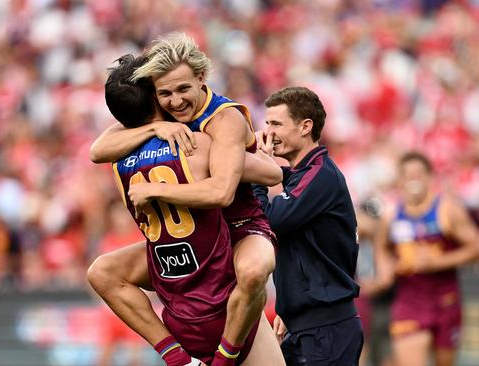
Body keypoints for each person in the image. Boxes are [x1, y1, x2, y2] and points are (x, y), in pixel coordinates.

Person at [88, 33, 280, 366]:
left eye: (182, 90)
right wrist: (152, 130)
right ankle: (179, 359)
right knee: (102, 272)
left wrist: (155, 189)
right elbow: (96, 150)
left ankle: (223, 358)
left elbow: (228, 189)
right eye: (165, 93)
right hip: (198, 238)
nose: (175, 101)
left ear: (202, 78)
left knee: (252, 271)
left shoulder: (222, 121)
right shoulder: (163, 124)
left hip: (241, 227)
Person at [251, 86, 363, 366]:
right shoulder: (302, 175)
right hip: (307, 325)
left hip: (325, 327)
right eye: (267, 123)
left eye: (276, 123)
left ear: (305, 127)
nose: (269, 132)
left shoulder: (320, 174)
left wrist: (257, 172)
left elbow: (269, 220)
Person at [373, 151, 479, 366]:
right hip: (409, 302)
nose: (414, 179)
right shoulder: (391, 215)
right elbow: (381, 247)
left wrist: (437, 262)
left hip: (446, 301)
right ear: (400, 180)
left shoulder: (447, 210)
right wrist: (385, 271)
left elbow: (476, 250)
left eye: (419, 174)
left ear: (430, 177)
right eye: (408, 175)